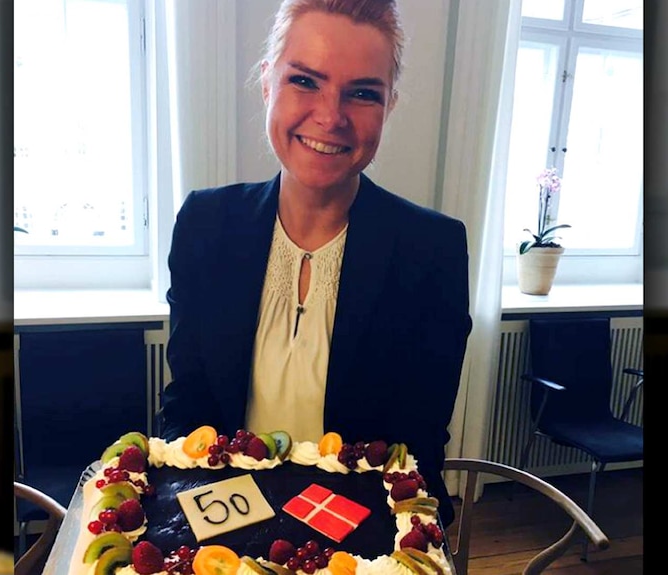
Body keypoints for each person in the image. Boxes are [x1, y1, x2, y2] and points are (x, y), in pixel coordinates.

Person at [158, 0, 472, 527]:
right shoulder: (205, 223)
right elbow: (188, 409)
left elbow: (417, 444)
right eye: (305, 80)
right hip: (224, 529)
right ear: (267, 83)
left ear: (389, 104)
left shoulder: (432, 249)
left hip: (362, 538)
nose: (330, 116)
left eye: (363, 92)